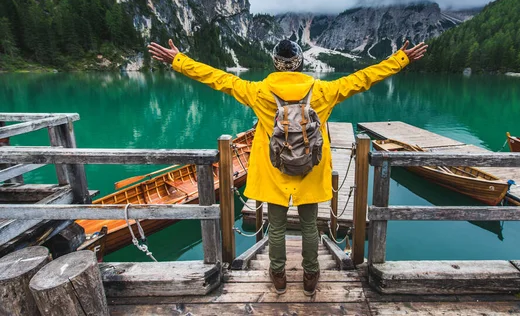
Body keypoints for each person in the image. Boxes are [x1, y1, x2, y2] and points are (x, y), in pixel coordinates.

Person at [148, 38, 427, 296]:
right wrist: (401, 58)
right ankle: (310, 277)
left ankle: (278, 277)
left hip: (274, 169)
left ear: (274, 63)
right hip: (310, 168)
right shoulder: (324, 90)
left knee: (277, 227)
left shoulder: (257, 91)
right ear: (301, 63)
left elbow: (217, 79)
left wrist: (178, 60)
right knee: (310, 227)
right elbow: (364, 78)